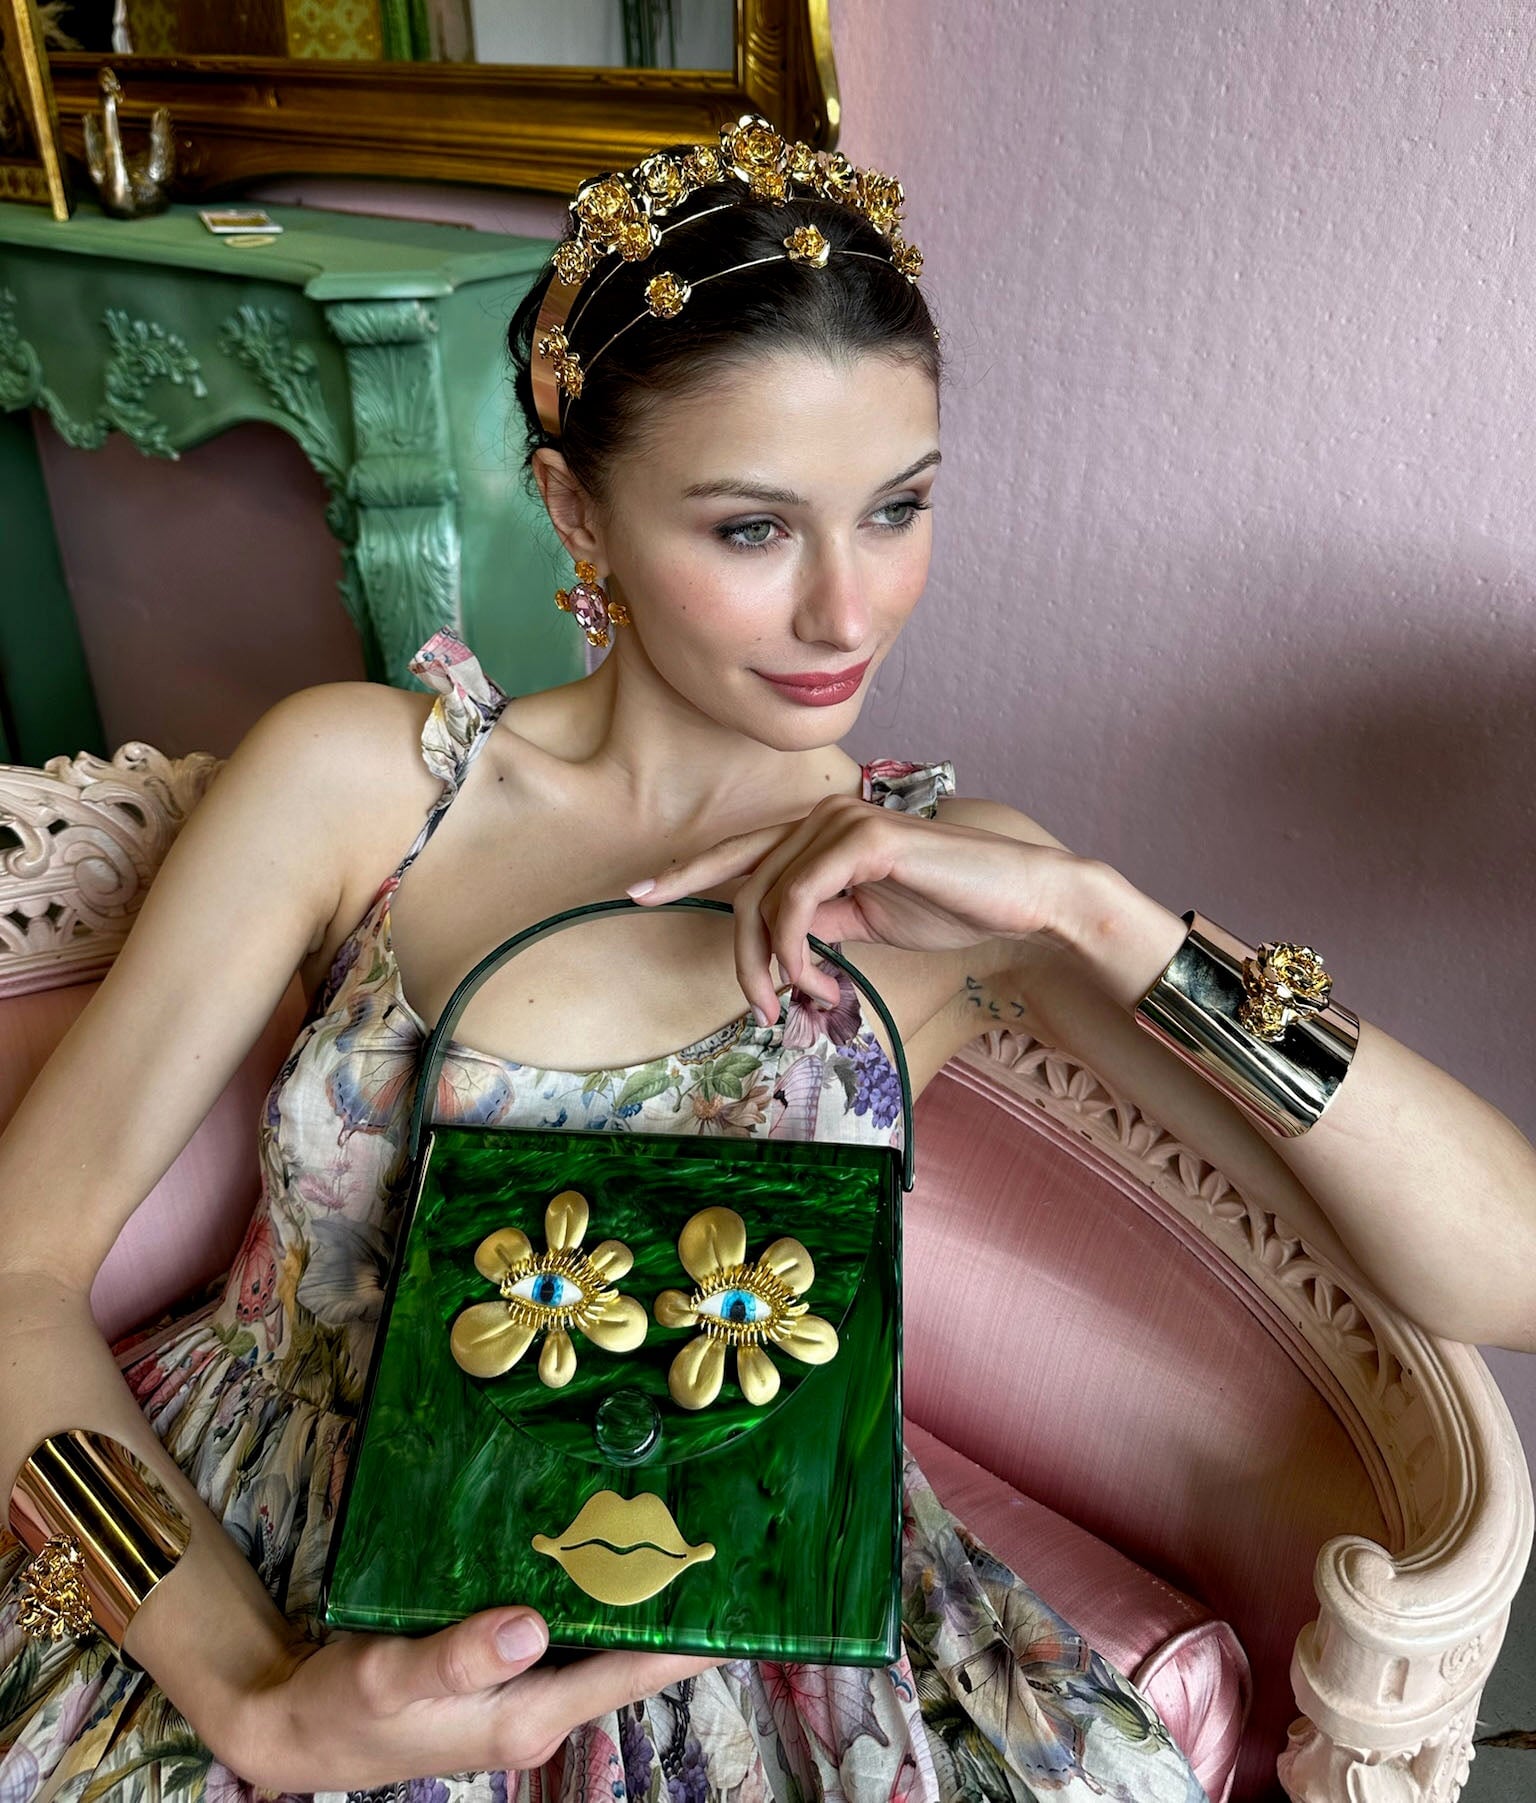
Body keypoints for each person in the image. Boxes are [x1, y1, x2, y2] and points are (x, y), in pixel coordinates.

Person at [3, 114, 1533, 1803]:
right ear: (576, 510)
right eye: (752, 529)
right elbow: (17, 1280)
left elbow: (1512, 1268)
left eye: (898, 509)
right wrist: (255, 1700)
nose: (847, 614)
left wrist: (1109, 918)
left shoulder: (958, 894)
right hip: (263, 1574)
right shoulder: (369, 785)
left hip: (757, 1645)